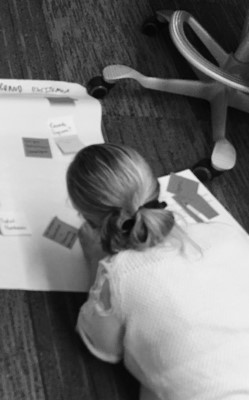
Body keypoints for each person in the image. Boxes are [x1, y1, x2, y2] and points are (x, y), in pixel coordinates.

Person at [67, 143, 249, 400]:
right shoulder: (226, 232)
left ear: (89, 220)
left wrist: (95, 262)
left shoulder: (119, 274)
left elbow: (102, 347)